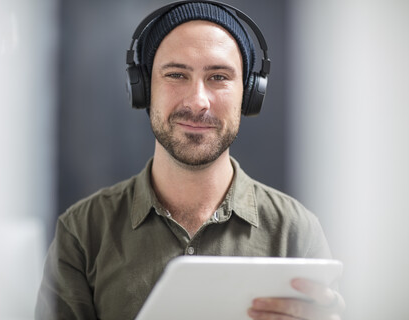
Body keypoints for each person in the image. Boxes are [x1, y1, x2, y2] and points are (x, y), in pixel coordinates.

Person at [36, 1, 345, 319]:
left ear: (249, 94)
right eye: (176, 74)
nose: (198, 101)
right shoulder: (82, 232)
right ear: (143, 89)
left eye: (219, 77)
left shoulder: (296, 232)